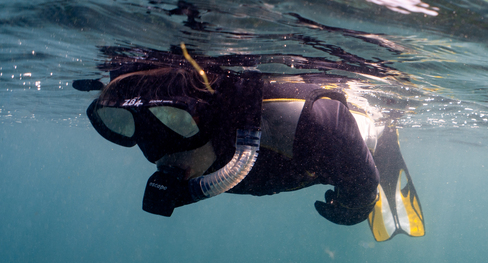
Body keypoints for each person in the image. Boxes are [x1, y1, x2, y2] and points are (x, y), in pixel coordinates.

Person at [81, 47, 424, 241]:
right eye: (123, 125)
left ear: (206, 114)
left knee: (366, 137)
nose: (157, 151)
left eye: (175, 119)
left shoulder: (301, 119)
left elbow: (347, 149)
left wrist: (360, 199)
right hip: (278, 165)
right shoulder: (173, 146)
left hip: (323, 148)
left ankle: (385, 144)